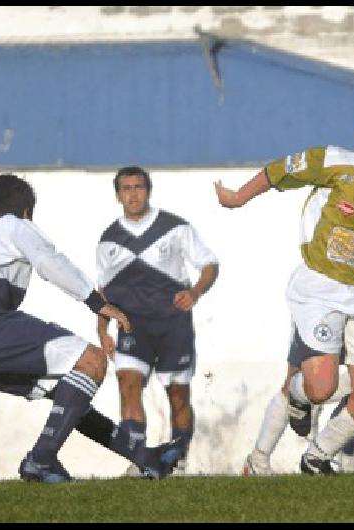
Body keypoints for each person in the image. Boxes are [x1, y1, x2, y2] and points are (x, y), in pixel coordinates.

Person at [0, 173, 175, 483]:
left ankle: (144, 457)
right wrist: (95, 302)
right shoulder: (12, 225)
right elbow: (48, 261)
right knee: (92, 361)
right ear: (25, 211)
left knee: (68, 394)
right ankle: (41, 459)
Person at [216, 110, 354, 475]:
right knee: (320, 387)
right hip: (320, 287)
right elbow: (281, 171)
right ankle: (297, 399)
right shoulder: (339, 163)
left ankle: (318, 456)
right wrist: (238, 198)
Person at [96, 166, 219, 474]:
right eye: (126, 188)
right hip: (132, 325)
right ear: (117, 195)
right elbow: (103, 292)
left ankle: (177, 458)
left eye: (138, 187)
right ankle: (139, 461)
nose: (133, 194)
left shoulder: (175, 228)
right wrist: (103, 331)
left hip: (172, 325)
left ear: (148, 191)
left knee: (178, 394)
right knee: (128, 384)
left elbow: (210, 264)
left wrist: (196, 292)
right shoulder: (108, 240)